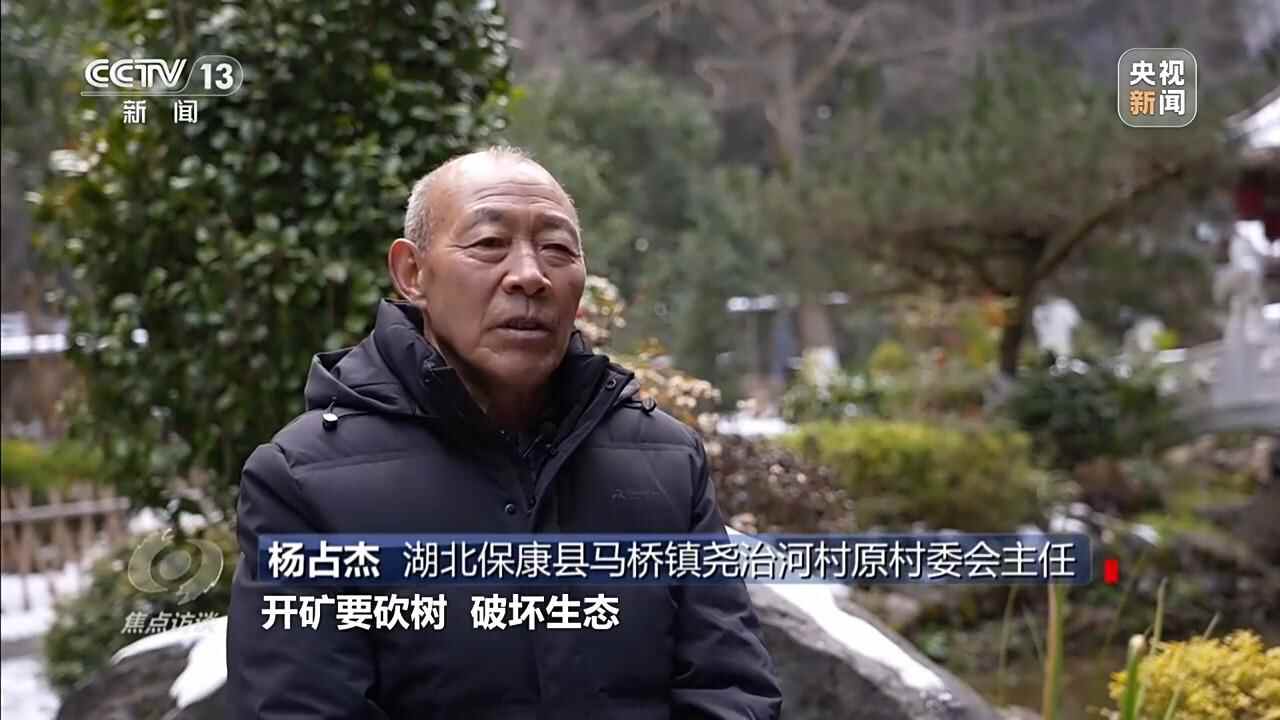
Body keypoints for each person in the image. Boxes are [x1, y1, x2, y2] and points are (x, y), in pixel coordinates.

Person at [226, 146, 782, 719]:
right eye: (489, 244)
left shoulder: (665, 460)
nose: (530, 276)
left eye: (557, 249)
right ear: (412, 273)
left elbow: (731, 686)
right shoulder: (303, 481)